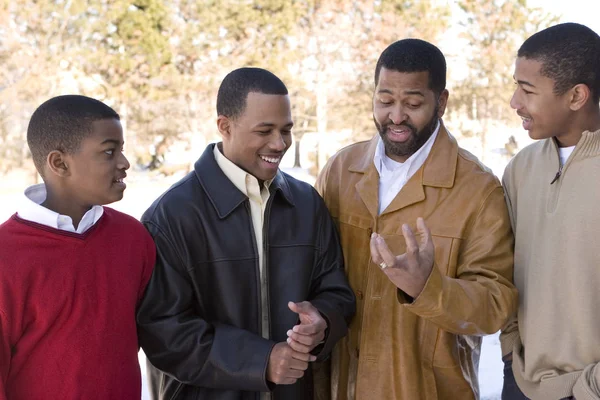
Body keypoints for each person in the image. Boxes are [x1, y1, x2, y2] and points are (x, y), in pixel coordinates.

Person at [315, 38, 518, 399]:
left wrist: (429, 287)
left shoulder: (478, 189)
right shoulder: (340, 170)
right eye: (385, 101)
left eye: (412, 103)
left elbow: (496, 305)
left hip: (426, 389)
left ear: (441, 102)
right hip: (338, 385)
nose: (395, 116)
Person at [136, 67, 356, 400]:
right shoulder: (170, 216)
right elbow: (163, 332)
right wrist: (261, 361)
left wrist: (322, 321)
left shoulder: (307, 203)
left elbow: (336, 290)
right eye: (265, 130)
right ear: (224, 126)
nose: (279, 143)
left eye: (286, 130)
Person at [0, 95, 156, 400]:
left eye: (121, 150)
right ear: (59, 163)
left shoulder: (133, 237)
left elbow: (158, 332)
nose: (124, 163)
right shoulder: (5, 257)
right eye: (109, 152)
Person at [500, 23, 600, 400]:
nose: (514, 102)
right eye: (515, 85)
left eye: (527, 90)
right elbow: (503, 270)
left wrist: (590, 389)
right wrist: (511, 352)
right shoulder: (519, 169)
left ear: (576, 96)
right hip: (522, 384)